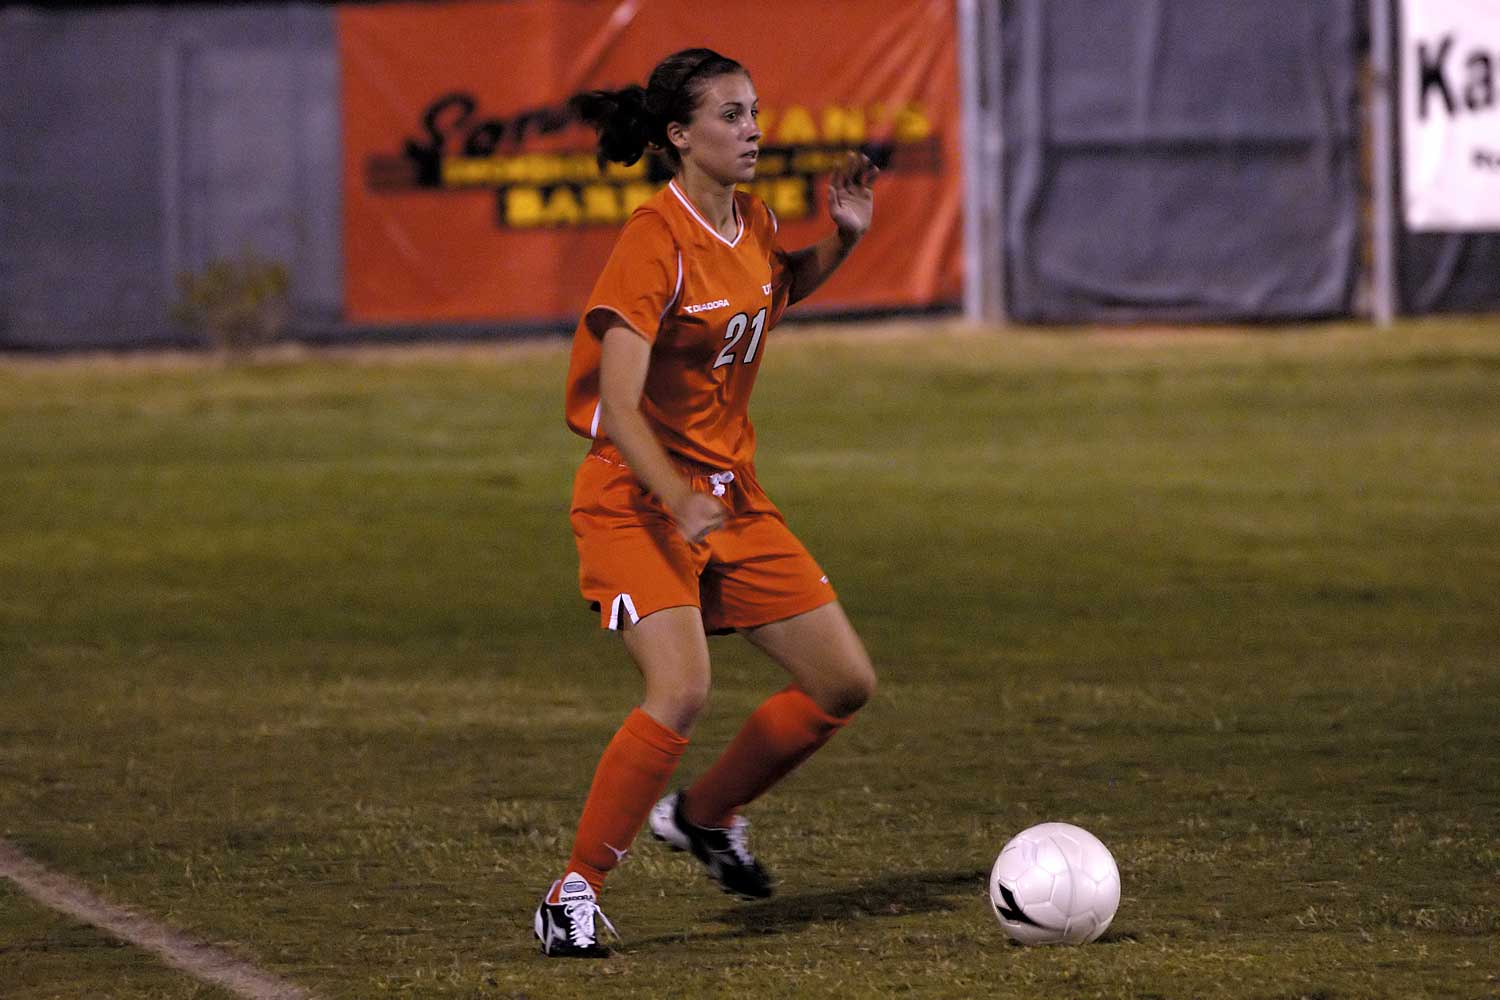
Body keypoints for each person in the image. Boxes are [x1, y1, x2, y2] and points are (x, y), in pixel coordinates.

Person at [535, 47, 879, 959]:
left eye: (755, 111)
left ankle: (704, 816)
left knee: (843, 683)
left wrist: (842, 238)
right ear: (680, 136)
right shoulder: (653, 240)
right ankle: (573, 893)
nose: (752, 129)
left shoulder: (752, 219)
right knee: (682, 688)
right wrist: (676, 497)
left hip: (727, 498)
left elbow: (772, 292)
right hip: (635, 499)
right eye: (731, 115)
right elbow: (618, 405)